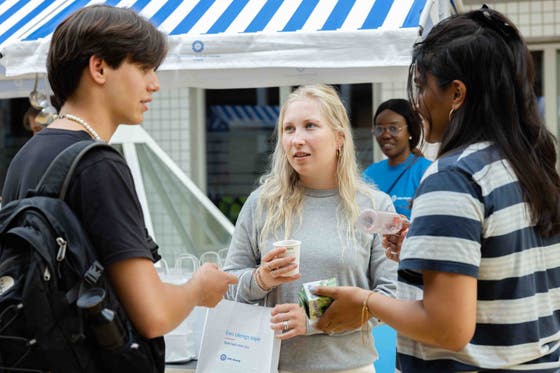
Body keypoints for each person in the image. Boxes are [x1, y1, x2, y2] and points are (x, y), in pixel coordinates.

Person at [313, 6, 560, 372]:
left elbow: (447, 328)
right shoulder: (529, 166)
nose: (418, 104)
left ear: (456, 94)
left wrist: (364, 302)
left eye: (423, 87)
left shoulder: (453, 176)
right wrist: (425, 247)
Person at [1, 4, 237, 371]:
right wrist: (198, 289)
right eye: (143, 68)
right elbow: (153, 314)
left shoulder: (25, 156)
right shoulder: (97, 164)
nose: (154, 84)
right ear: (99, 68)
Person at [223, 84, 398, 373]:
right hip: (269, 365)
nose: (297, 139)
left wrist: (312, 319)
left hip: (349, 367)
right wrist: (261, 279)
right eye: (288, 129)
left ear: (340, 137)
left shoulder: (374, 206)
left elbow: (390, 296)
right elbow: (229, 285)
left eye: (310, 126)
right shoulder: (261, 204)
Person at [362, 99, 432, 218]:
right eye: (379, 129)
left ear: (410, 131)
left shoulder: (428, 171)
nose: (385, 135)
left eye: (393, 128)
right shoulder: (369, 174)